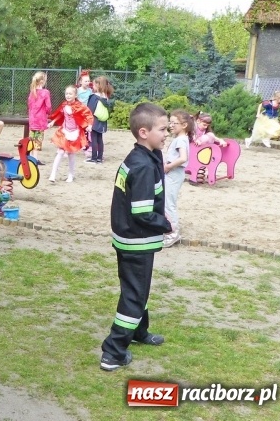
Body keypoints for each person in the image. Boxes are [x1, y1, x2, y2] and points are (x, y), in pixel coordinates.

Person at [100, 103, 172, 372]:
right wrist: (164, 224)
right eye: (163, 129)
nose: (167, 134)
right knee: (133, 295)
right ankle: (113, 352)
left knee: (138, 289)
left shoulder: (142, 156)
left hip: (129, 238)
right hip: (137, 241)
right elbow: (142, 212)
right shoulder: (142, 166)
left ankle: (139, 332)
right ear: (144, 132)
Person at [47, 85, 93, 183]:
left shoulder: (79, 106)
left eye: (70, 94)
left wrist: (89, 125)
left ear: (75, 95)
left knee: (71, 154)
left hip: (74, 132)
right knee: (60, 152)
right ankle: (53, 174)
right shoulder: (64, 105)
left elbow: (88, 115)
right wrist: (53, 121)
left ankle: (71, 175)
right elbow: (60, 114)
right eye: (66, 93)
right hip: (64, 131)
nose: (68, 95)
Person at [163, 110, 194, 248]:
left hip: (174, 174)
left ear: (184, 125)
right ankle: (167, 229)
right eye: (170, 122)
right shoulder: (180, 138)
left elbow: (183, 158)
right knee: (167, 201)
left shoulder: (181, 139)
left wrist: (168, 167)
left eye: (174, 123)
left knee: (169, 203)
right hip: (173, 173)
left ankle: (173, 233)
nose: (171, 125)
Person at [86, 76, 115, 164]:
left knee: (94, 139)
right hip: (102, 121)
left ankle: (94, 158)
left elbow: (89, 110)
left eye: (94, 85)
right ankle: (99, 158)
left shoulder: (94, 97)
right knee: (100, 139)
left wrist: (89, 123)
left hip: (94, 120)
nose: (92, 86)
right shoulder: (105, 97)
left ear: (98, 85)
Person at [191, 112, 227, 183]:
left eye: (207, 125)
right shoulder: (194, 127)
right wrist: (195, 139)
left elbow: (213, 137)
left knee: (210, 135)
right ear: (198, 121)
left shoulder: (205, 130)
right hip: (193, 147)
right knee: (206, 137)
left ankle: (208, 152)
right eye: (204, 125)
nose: (205, 127)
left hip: (202, 149)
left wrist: (220, 140)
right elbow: (192, 134)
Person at [27, 71, 51, 165]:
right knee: (38, 140)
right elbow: (48, 106)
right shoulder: (45, 92)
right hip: (40, 120)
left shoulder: (32, 92)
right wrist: (48, 113)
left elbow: (29, 105)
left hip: (32, 120)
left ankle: (32, 157)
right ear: (42, 81)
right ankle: (35, 159)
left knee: (32, 139)